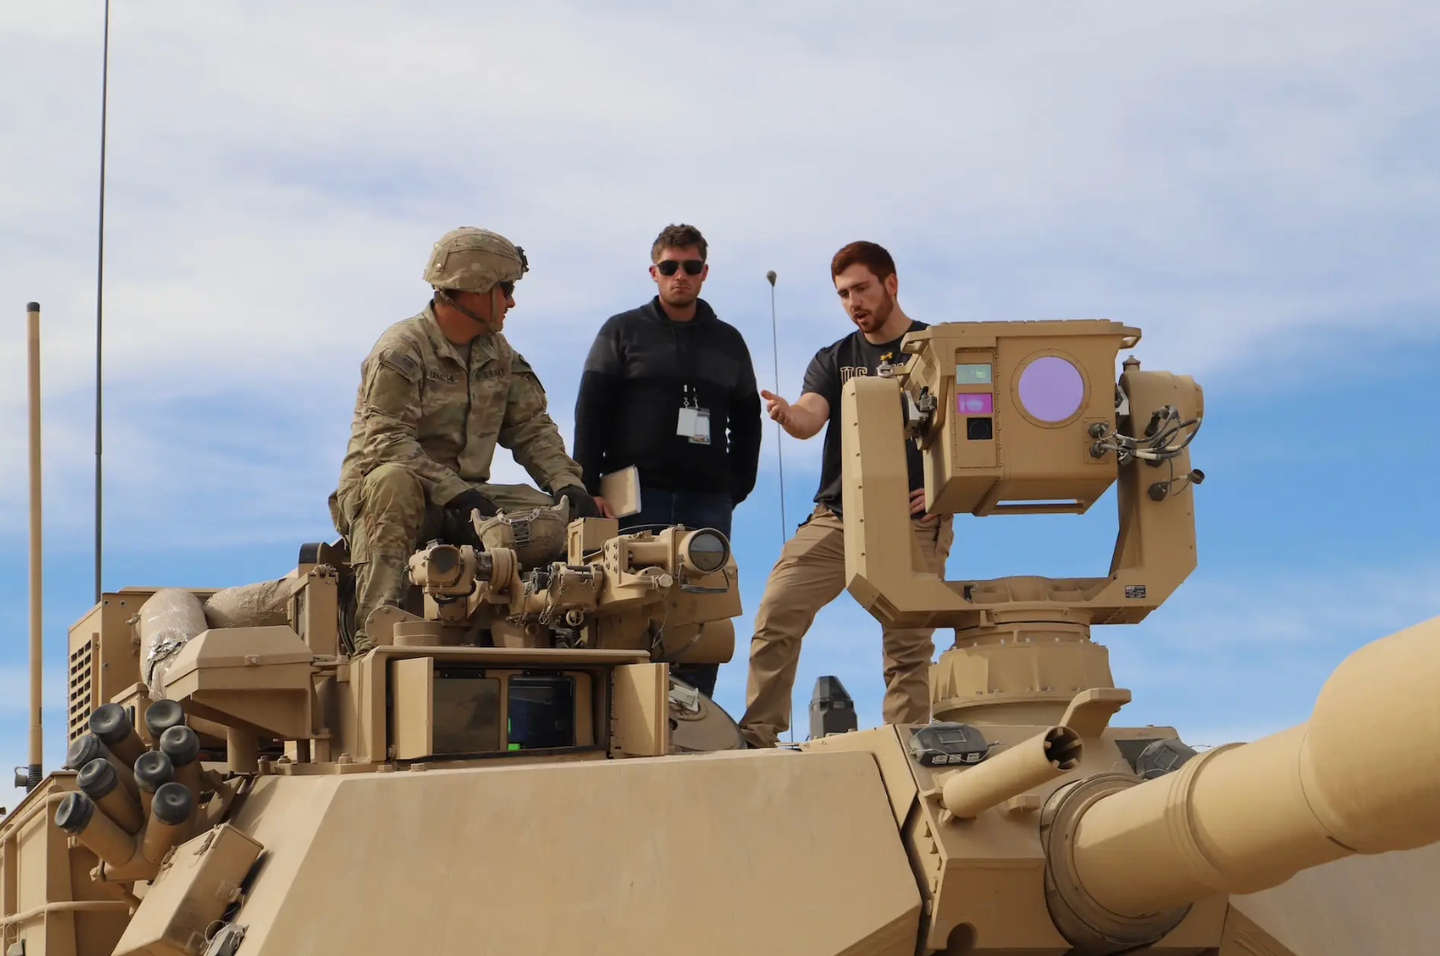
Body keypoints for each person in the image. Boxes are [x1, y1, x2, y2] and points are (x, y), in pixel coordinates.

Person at [328, 226, 602, 656]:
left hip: (464, 500)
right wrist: (460, 495)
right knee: (393, 482)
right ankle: (374, 633)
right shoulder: (401, 350)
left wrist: (567, 484)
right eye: (505, 288)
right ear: (475, 287)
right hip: (386, 496)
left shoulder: (500, 356)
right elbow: (387, 443)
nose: (511, 301)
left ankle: (553, 632)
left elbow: (531, 428)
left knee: (553, 519)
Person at [736, 240, 954, 748]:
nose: (853, 302)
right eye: (842, 294)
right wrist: (790, 415)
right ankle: (756, 738)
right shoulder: (835, 358)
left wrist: (943, 492)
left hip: (912, 518)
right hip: (838, 516)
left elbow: (971, 430)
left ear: (890, 284)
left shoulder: (937, 348)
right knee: (776, 610)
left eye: (861, 289)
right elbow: (812, 414)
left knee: (906, 645)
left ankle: (904, 749)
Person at [571, 224, 762, 696]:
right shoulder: (621, 331)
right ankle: (622, 713)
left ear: (704, 273)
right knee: (627, 604)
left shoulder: (729, 340)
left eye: (691, 267)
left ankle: (694, 719)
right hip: (635, 498)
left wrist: (736, 485)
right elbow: (590, 410)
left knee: (702, 609)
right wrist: (587, 485)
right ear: (654, 272)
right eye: (671, 267)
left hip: (707, 502)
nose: (681, 276)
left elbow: (748, 417)